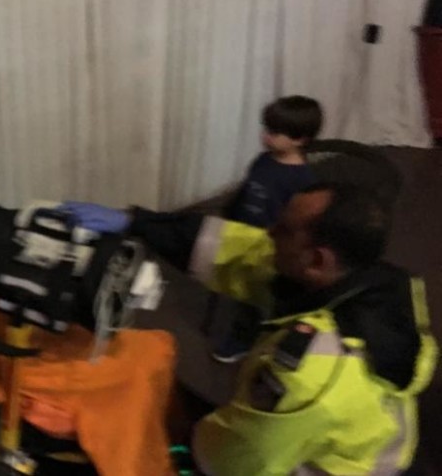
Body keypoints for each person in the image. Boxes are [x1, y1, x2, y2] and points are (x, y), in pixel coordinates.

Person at [61, 183, 436, 475]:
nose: (269, 233)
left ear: (317, 260)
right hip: (364, 434)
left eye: (284, 231)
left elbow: (238, 458)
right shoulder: (382, 284)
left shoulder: (306, 372)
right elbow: (235, 251)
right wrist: (135, 222)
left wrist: (181, 445)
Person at [213, 95, 322, 363]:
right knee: (241, 287)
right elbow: (248, 192)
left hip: (270, 248)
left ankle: (243, 339)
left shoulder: (302, 181)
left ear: (299, 139)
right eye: (266, 128)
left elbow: (300, 221)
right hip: (243, 235)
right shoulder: (263, 160)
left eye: (274, 132)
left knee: (255, 298)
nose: (265, 136)